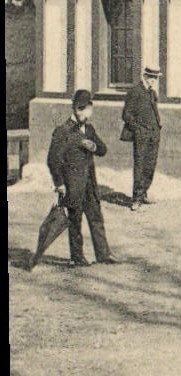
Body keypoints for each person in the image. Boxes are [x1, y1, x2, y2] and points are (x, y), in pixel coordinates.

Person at [46, 90, 117, 267]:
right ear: (76, 109)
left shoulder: (89, 129)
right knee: (75, 220)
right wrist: (59, 183)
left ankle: (104, 254)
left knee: (96, 217)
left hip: (89, 185)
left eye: (86, 110)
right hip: (72, 185)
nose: (84, 113)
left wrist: (93, 146)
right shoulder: (63, 131)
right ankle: (77, 257)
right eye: (81, 109)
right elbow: (53, 160)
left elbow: (103, 149)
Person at [121, 65, 162, 210]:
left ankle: (144, 193)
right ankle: (136, 198)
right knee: (140, 165)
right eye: (151, 77)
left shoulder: (151, 92)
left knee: (150, 165)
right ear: (144, 76)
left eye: (155, 77)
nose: (153, 80)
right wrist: (138, 129)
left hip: (153, 134)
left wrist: (157, 128)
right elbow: (126, 115)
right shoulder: (135, 91)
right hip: (142, 135)